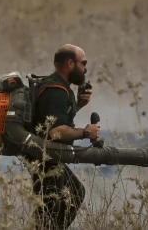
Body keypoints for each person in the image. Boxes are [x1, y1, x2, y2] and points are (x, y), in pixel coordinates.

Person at [27, 44, 99, 230]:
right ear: (70, 64)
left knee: (74, 193)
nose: (85, 68)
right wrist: (85, 132)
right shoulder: (56, 91)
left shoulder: (60, 87)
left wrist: (79, 104)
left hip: (51, 157)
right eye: (83, 63)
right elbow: (56, 131)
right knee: (49, 209)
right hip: (45, 158)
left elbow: (57, 118)